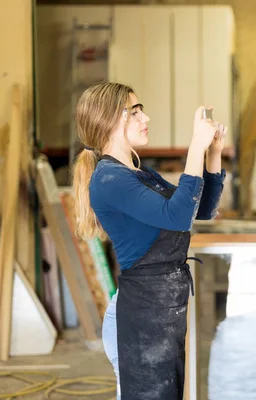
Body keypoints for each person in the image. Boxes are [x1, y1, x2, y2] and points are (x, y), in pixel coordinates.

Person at [71, 82, 226, 400]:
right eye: (136, 111)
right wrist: (194, 147)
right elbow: (178, 216)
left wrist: (213, 152)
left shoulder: (140, 174)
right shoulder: (110, 179)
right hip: (140, 317)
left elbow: (201, 208)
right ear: (111, 119)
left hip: (162, 311)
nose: (146, 118)